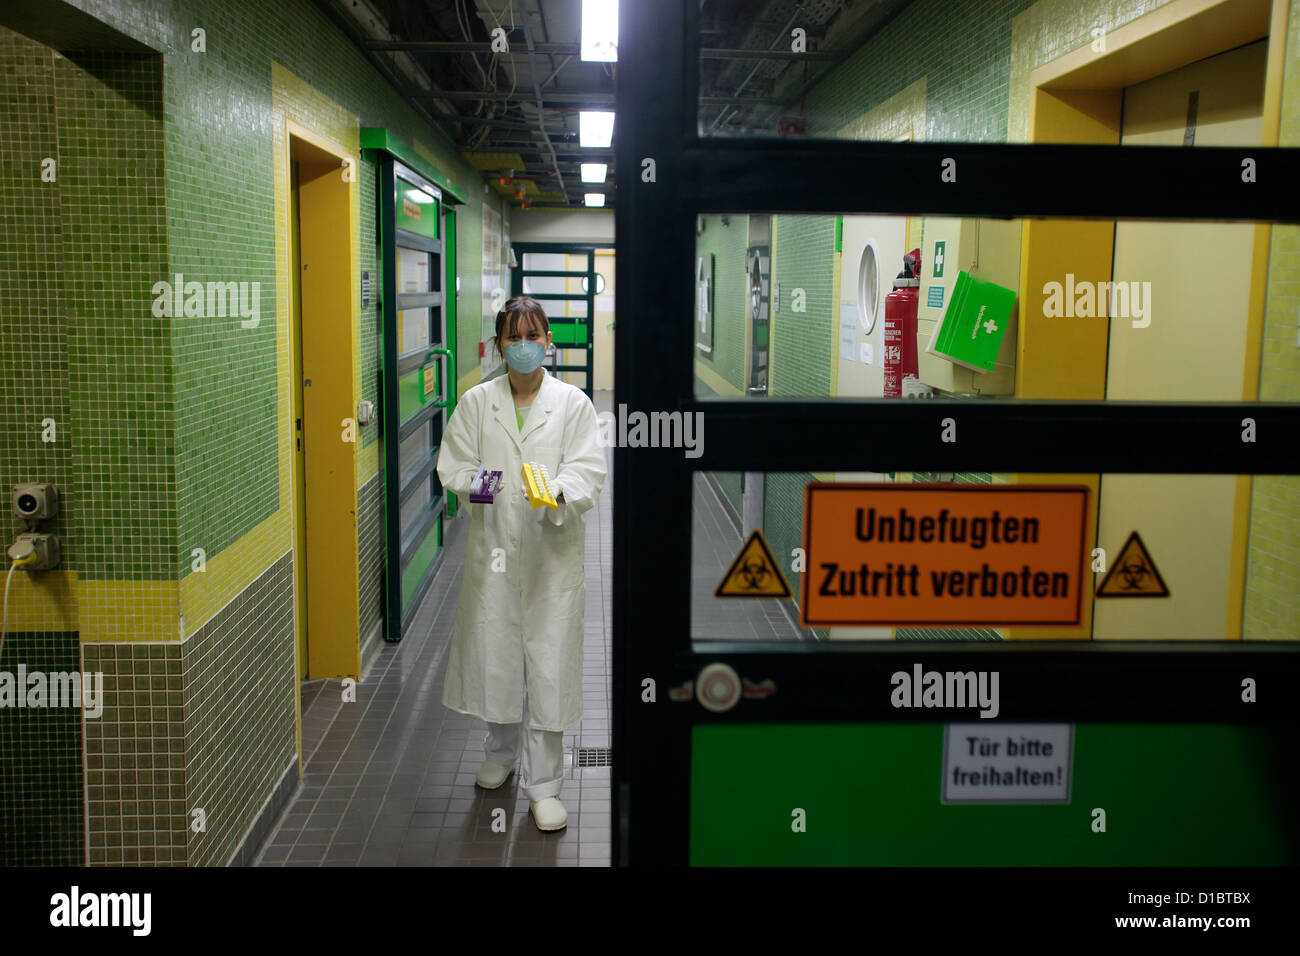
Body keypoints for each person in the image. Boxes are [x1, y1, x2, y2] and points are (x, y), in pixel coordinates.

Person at [435, 296, 607, 832]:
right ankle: (500, 753)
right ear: (498, 343)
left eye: (534, 335)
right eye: (515, 337)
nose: (525, 346)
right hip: (495, 558)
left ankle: (546, 784)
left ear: (549, 339)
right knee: (497, 654)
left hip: (552, 559)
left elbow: (589, 471)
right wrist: (486, 486)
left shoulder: (573, 404)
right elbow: (454, 466)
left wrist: (553, 492)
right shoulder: (477, 403)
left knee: (550, 666)